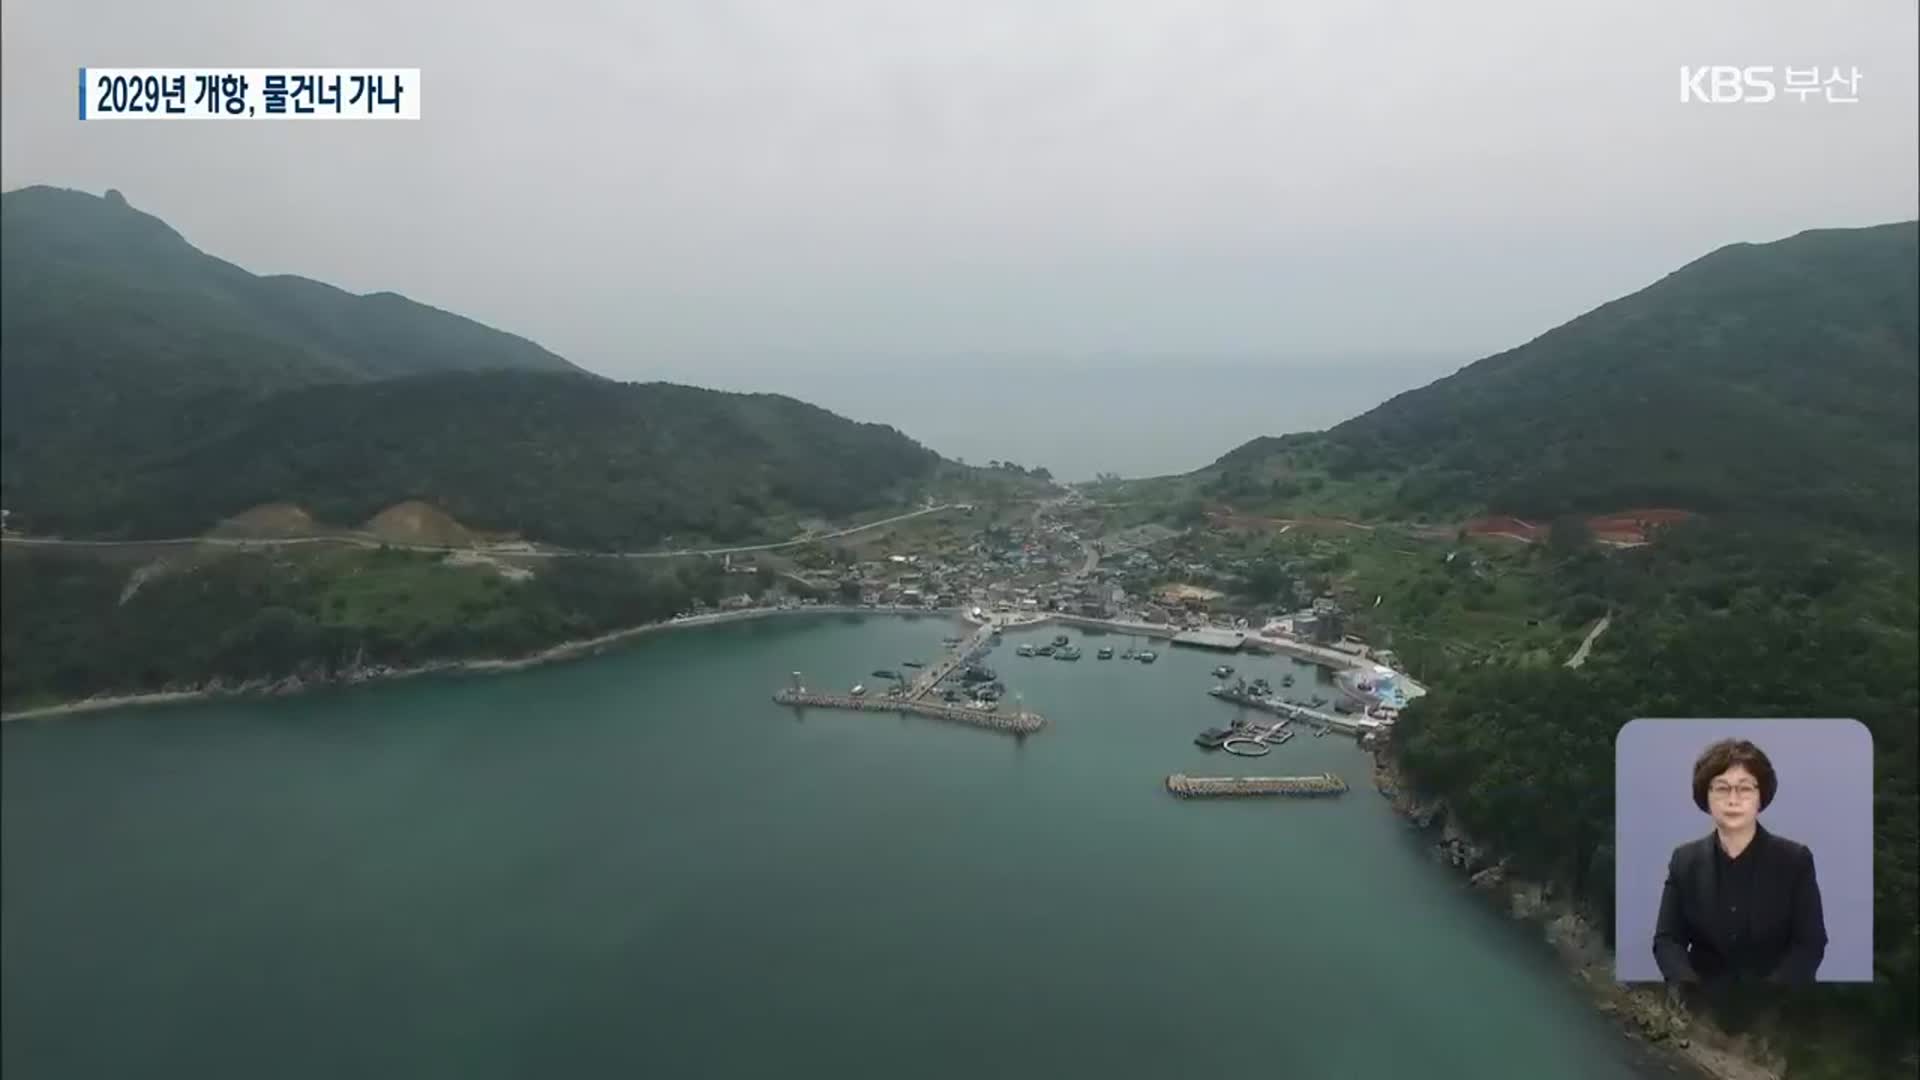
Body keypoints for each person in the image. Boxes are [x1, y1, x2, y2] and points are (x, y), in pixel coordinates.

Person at [1652, 738, 1827, 986]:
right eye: (1722, 788)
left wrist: (1771, 995)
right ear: (1706, 796)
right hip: (1700, 1003)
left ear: (1761, 796)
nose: (1733, 800)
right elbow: (1667, 940)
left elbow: (1810, 943)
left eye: (1745, 788)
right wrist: (1688, 990)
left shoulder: (1794, 860)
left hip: (1779, 1005)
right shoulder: (1684, 861)